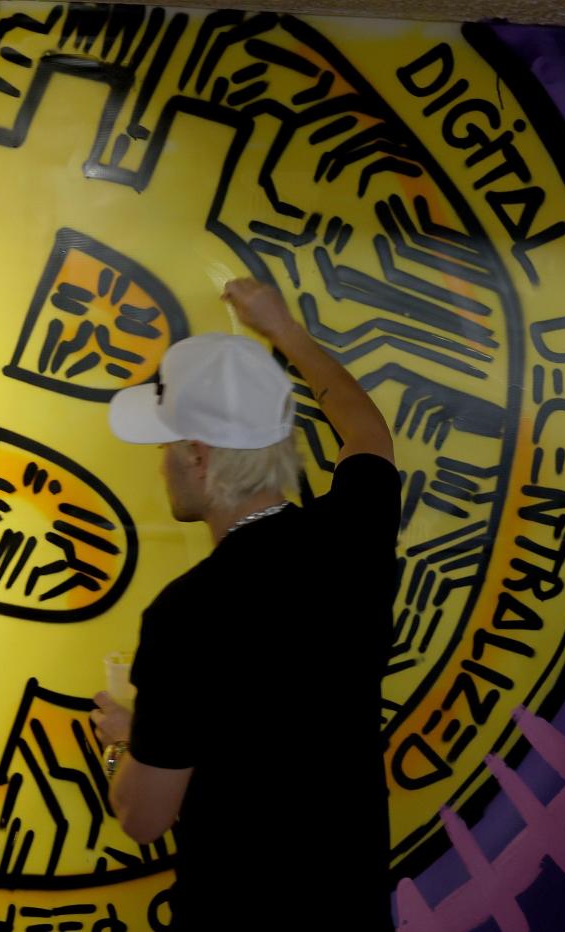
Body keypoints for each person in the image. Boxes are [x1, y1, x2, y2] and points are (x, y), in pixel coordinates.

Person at [91, 278, 400, 930]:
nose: (162, 465)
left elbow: (142, 819)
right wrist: (284, 331)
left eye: (167, 447)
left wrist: (125, 742)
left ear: (198, 456)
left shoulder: (187, 614)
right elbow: (366, 429)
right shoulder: (353, 537)